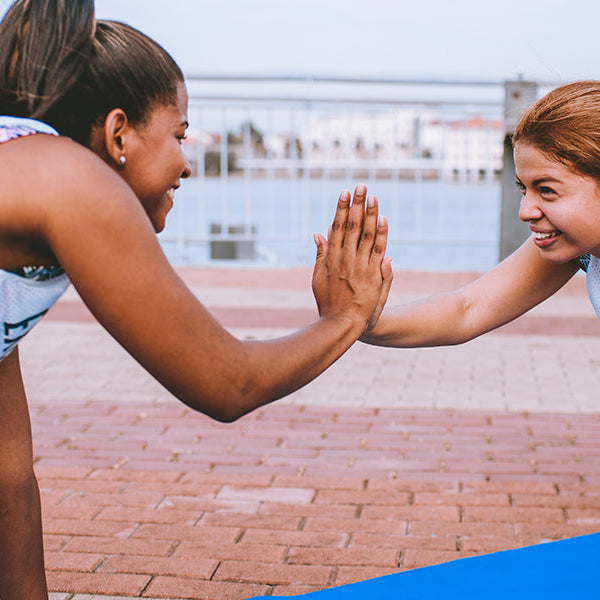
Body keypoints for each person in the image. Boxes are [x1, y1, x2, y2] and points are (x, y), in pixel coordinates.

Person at [0, 1, 393, 597]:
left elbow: (7, 471)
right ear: (117, 134)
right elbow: (227, 383)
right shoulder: (70, 179)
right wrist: (346, 317)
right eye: (179, 135)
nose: (187, 164)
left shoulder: (28, 172)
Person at [360, 80, 600, 350]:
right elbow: (468, 308)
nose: (524, 212)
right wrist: (358, 319)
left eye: (546, 190)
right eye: (523, 189)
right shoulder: (581, 247)